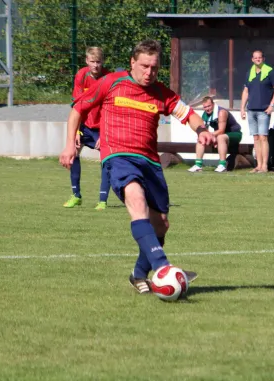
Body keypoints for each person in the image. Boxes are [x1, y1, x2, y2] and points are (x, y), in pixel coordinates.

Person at [59, 39, 214, 294]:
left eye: (154, 67)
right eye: (144, 66)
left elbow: (187, 114)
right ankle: (164, 268)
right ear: (132, 62)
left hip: (150, 162)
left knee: (161, 224)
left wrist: (202, 130)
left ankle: (139, 274)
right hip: (118, 156)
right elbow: (77, 109)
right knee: (135, 198)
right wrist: (68, 145)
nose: (149, 72)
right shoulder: (112, 83)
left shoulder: (161, 92)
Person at [63, 46, 112, 210]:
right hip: (84, 125)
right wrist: (76, 131)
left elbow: (110, 108)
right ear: (86, 61)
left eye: (99, 62)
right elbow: (77, 105)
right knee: (73, 154)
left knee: (107, 160)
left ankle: (103, 200)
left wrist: (105, 133)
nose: (96, 65)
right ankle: (76, 195)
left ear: (102, 62)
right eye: (92, 62)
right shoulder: (81, 75)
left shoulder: (108, 78)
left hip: (101, 127)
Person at [240, 49, 274, 173]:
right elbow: (246, 91)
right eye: (255, 58)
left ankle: (264, 166)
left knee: (263, 137)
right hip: (251, 110)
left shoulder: (270, 72)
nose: (257, 59)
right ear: (252, 59)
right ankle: (258, 166)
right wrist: (242, 108)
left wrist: (271, 105)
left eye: (260, 57)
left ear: (263, 58)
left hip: (264, 110)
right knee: (256, 138)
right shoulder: (249, 73)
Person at [187, 96, 243, 173]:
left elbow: (221, 130)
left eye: (209, 106)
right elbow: (205, 130)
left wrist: (210, 135)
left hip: (234, 134)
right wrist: (206, 136)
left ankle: (222, 165)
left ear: (213, 104)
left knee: (220, 137)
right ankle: (198, 165)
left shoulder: (221, 112)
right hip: (220, 136)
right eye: (205, 107)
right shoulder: (205, 114)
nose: (207, 109)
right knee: (201, 138)